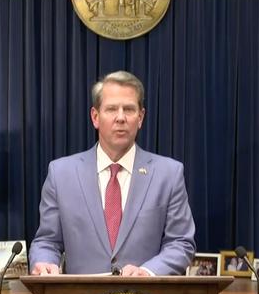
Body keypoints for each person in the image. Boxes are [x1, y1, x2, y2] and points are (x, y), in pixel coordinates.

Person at [30, 70, 195, 276]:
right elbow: (47, 241)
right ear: (95, 117)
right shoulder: (61, 173)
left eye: (128, 109)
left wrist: (148, 271)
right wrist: (45, 263)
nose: (120, 118)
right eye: (111, 109)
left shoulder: (168, 174)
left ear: (141, 117)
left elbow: (181, 243)